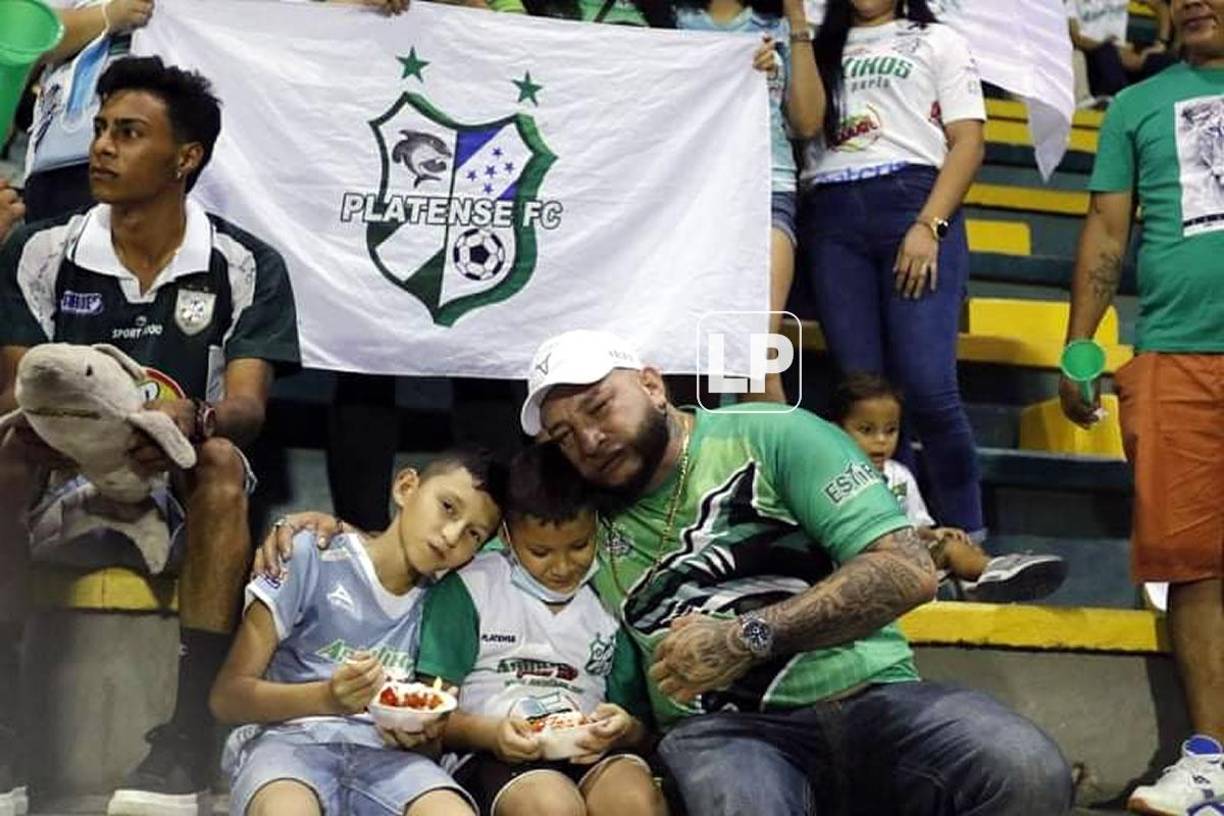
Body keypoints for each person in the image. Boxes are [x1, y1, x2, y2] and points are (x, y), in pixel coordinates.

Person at [513, 328, 1072, 815]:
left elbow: (907, 569)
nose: (589, 440)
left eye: (599, 407)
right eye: (564, 435)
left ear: (653, 386)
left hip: (871, 696)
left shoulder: (772, 434)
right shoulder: (570, 511)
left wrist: (742, 638)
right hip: (724, 733)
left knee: (1025, 768)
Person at [0, 56, 299, 814]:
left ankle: (188, 736)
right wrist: (55, 429)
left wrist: (192, 419)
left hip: (176, 487)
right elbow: (16, 387)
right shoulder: (41, 248)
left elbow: (248, 406)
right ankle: (5, 730)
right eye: (101, 129)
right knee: (4, 456)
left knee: (224, 461)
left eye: (129, 133)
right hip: (59, 478)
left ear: (185, 158)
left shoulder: (244, 263)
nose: (102, 146)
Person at [1060, 1, 1224, 812]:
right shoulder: (1135, 104)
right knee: (1194, 563)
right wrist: (1079, 347)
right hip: (1175, 352)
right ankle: (1213, 761)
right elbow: (1105, 229)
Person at [209, 448, 505, 816]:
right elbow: (227, 697)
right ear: (406, 487)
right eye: (447, 507)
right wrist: (327, 699)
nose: (451, 535)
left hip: (390, 760)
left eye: (473, 534)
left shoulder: (446, 601)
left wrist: (421, 735)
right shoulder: (309, 553)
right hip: (288, 746)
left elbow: (429, 743)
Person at [798, 0, 987, 542]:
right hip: (831, 215)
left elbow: (969, 142)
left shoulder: (936, 39)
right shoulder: (816, 42)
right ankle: (892, 538)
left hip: (913, 202)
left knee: (929, 388)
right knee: (864, 396)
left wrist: (930, 224)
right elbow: (802, 123)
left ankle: (970, 542)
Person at [417, 443, 666, 816]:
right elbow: (430, 715)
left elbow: (640, 727)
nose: (562, 567)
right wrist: (490, 735)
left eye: (579, 546)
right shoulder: (470, 588)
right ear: (506, 535)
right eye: (540, 552)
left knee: (633, 800)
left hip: (589, 749)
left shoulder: (611, 595)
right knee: (552, 806)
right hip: (493, 751)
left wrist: (623, 728)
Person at [674, 0, 822, 402]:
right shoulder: (673, 20)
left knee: (756, 357)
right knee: (693, 358)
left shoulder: (777, 27)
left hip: (767, 188)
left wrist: (797, 20)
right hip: (690, 197)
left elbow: (808, 121)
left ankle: (763, 447)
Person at [829, 372, 1068, 603]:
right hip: (857, 568)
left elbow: (915, 526)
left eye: (891, 430)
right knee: (945, 554)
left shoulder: (899, 475)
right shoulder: (834, 477)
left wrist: (934, 534)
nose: (881, 440)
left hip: (903, 562)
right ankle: (973, 580)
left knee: (955, 545)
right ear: (835, 431)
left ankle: (989, 578)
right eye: (866, 430)